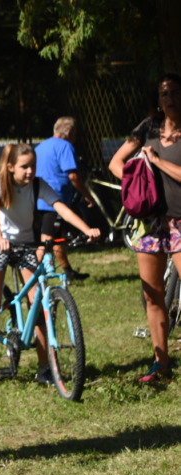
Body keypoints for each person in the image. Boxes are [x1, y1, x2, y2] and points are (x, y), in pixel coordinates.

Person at [0, 144, 101, 389]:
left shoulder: (37, 184)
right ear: (10, 167)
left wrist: (86, 229)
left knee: (39, 303)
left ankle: (44, 368)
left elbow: (61, 208)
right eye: (24, 167)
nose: (30, 171)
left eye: (33, 165)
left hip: (25, 243)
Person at [109, 73, 181, 383]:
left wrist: (156, 162)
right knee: (153, 295)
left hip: (180, 221)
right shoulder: (147, 128)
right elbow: (116, 162)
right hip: (150, 223)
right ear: (158, 99)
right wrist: (137, 180)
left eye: (175, 92)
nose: (170, 98)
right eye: (164, 93)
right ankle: (160, 363)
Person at [35, 117, 96, 280]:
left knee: (57, 238)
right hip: (54, 202)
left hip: (37, 200)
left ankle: (68, 271)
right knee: (47, 240)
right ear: (69, 132)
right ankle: (32, 277)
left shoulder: (41, 146)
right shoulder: (65, 146)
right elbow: (73, 176)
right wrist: (87, 195)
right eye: (75, 133)